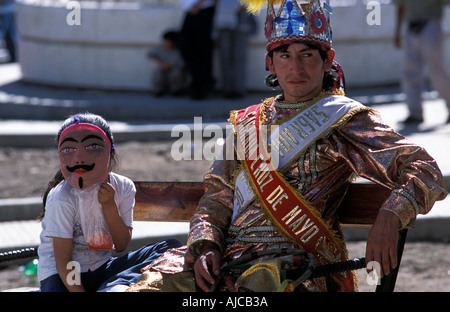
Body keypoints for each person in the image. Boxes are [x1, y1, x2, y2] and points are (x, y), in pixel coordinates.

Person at [127, 0, 447, 292]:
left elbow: (425, 169)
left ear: (327, 60)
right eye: (285, 55)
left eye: (307, 54)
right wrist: (205, 246)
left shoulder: (344, 120)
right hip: (225, 261)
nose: (295, 67)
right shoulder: (247, 123)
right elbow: (218, 196)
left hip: (295, 268)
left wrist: (391, 215)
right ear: (270, 62)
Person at [37, 112, 183, 292]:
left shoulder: (123, 187)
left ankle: (113, 286)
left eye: (92, 146)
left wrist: (109, 205)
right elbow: (64, 259)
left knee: (170, 247)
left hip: (101, 269)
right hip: (62, 276)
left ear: (111, 153)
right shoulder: (62, 197)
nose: (79, 157)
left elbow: (121, 245)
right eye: (68, 149)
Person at [393, 0, 450, 124]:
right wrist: (397, 32)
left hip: (431, 24)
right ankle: (415, 113)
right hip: (411, 26)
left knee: (436, 71)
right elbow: (400, 6)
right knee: (410, 71)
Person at [215, 0, 256, 98]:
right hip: (222, 23)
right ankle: (227, 89)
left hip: (241, 22)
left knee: (239, 58)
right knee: (225, 58)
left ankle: (239, 89)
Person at [179, 0, 217, 100]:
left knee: (203, 49)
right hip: (190, 11)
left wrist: (198, 5)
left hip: (203, 11)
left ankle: (203, 86)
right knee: (186, 47)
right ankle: (199, 83)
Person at [147, 31, 187, 97]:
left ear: (174, 44)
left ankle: (176, 90)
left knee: (177, 73)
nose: (165, 44)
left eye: (168, 42)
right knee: (157, 71)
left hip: (173, 70)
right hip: (162, 69)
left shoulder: (177, 52)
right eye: (164, 41)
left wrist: (170, 66)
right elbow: (150, 54)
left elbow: (181, 64)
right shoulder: (159, 49)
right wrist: (157, 59)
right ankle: (158, 90)